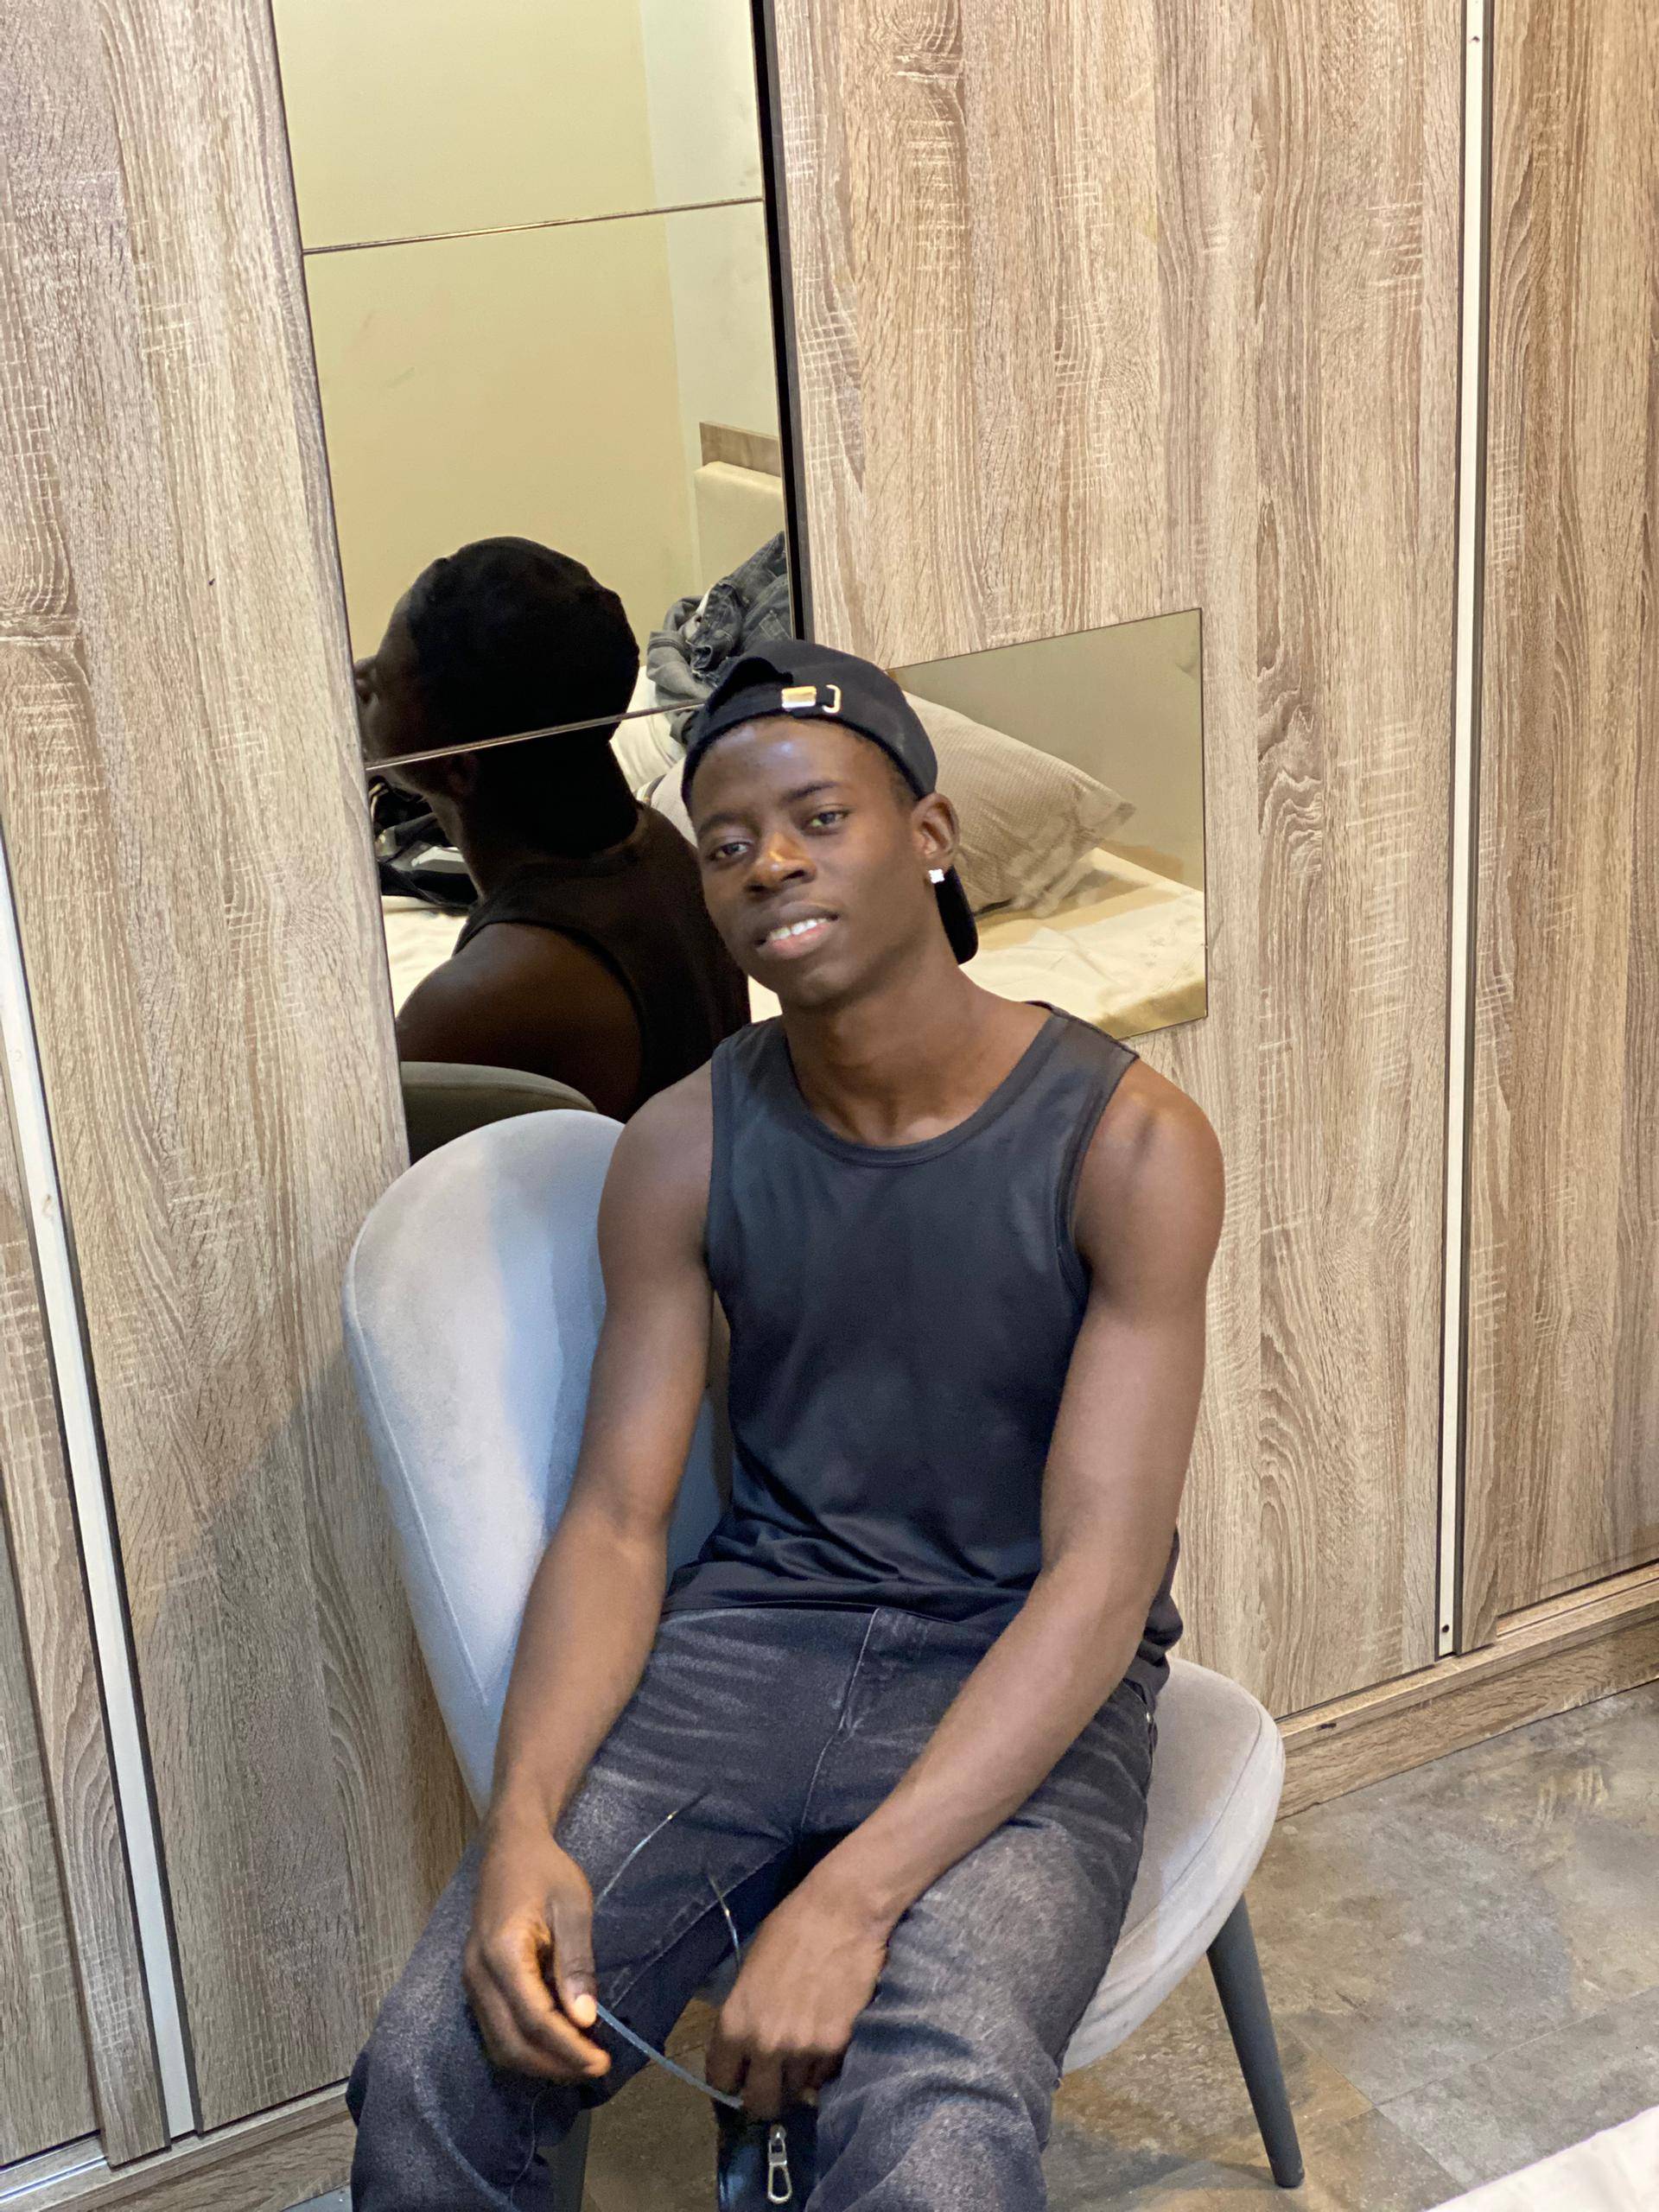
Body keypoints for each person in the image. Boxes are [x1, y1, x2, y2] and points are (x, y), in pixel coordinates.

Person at [346, 640, 1224, 2209]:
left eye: (821, 819)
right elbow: (619, 1521)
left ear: (930, 835)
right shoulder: (684, 1144)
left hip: (1020, 1660)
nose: (771, 866)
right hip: (752, 1648)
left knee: (933, 2122)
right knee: (434, 2057)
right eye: (730, 843)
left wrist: (856, 1897)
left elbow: (1099, 1580)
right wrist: (523, 1824)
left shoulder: (1129, 1144)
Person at [356, 537, 751, 1119]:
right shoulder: (662, 846)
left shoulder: (484, 996)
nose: (356, 676)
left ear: (458, 769)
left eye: (377, 689)